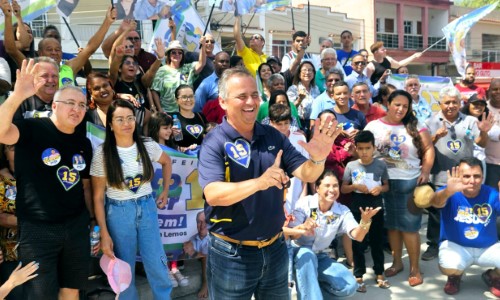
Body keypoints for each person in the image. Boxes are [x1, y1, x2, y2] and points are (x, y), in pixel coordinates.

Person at [198, 67, 342, 299]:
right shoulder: (214, 142)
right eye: (242, 96)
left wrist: (318, 157)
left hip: (275, 248)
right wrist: (260, 182)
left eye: (254, 95)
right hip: (231, 254)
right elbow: (213, 194)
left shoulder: (272, 135)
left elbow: (308, 174)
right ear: (223, 102)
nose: (251, 101)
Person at [0, 59, 95, 299]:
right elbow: (1, 131)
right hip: (38, 229)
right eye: (70, 103)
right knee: (40, 294)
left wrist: (91, 221)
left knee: (71, 291)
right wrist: (18, 95)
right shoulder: (31, 128)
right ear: (54, 105)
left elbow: (84, 186)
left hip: (75, 227)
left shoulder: (83, 142)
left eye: (82, 105)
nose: (77, 109)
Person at [90, 99, 173, 299]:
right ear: (110, 124)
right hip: (118, 212)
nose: (126, 123)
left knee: (156, 261)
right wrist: (104, 233)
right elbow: (98, 196)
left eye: (129, 118)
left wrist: (165, 190)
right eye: (119, 119)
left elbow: (166, 161)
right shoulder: (102, 153)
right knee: (123, 268)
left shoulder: (146, 144)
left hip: (147, 207)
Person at [364, 90, 435, 287]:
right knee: (392, 227)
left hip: (409, 183)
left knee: (410, 228)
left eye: (405, 106)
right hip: (383, 184)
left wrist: (426, 170)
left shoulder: (416, 126)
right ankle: (397, 263)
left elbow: (429, 148)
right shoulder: (373, 126)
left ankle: (415, 268)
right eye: (397, 104)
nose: (401, 109)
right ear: (389, 103)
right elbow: (364, 149)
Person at [423, 87, 493, 262]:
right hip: (441, 175)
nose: (451, 106)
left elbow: (482, 143)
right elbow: (423, 148)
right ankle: (433, 245)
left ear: (460, 103)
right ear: (440, 104)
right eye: (447, 102)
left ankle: (461, 243)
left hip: (466, 177)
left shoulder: (469, 120)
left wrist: (484, 131)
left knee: (463, 210)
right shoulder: (430, 121)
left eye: (454, 102)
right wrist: (435, 138)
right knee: (436, 211)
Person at [288, 170, 381, 298]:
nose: (332, 190)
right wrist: (303, 227)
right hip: (298, 255)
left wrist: (365, 222)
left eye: (335, 185)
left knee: (350, 286)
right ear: (317, 188)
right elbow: (291, 235)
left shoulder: (342, 211)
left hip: (321, 256)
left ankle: (314, 291)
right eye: (327, 185)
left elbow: (358, 236)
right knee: (307, 254)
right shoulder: (305, 203)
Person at [431, 158, 500, 297]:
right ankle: (455, 276)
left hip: (488, 247)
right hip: (456, 246)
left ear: (483, 177)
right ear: (458, 176)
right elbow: (435, 202)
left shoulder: (492, 193)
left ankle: (492, 275)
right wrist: (447, 192)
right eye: (466, 176)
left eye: (477, 176)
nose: (472, 181)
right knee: (449, 267)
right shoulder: (449, 191)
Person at [341, 131, 390, 292]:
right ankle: (359, 275)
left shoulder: (381, 165)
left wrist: (380, 189)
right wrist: (355, 186)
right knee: (358, 243)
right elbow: (343, 188)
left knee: (377, 241)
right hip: (358, 207)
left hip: (376, 207)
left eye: (367, 148)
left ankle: (379, 273)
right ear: (355, 148)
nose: (364, 152)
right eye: (360, 148)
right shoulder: (351, 165)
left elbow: (386, 186)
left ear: (374, 148)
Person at [151, 39, 207, 114]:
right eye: (173, 52)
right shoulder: (162, 71)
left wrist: (203, 46)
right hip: (168, 112)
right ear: (168, 55)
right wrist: (160, 109)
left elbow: (201, 63)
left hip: (187, 111)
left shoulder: (188, 68)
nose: (177, 54)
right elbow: (154, 91)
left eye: (180, 52)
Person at [287, 61, 321, 130]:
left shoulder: (316, 89)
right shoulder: (293, 89)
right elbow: (290, 109)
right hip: (298, 123)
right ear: (299, 74)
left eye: (310, 70)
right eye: (304, 70)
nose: (307, 72)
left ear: (314, 73)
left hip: (313, 123)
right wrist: (299, 100)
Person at [173, 85, 207, 151]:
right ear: (176, 100)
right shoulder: (173, 119)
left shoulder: (201, 116)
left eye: (191, 96)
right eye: (184, 97)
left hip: (202, 158)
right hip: (183, 159)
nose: (188, 100)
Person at [190, 211, 209, 298]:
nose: (202, 225)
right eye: (199, 222)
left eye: (205, 221)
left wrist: (195, 253)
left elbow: (204, 255)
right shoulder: (191, 239)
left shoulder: (212, 237)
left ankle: (205, 283)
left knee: (206, 255)